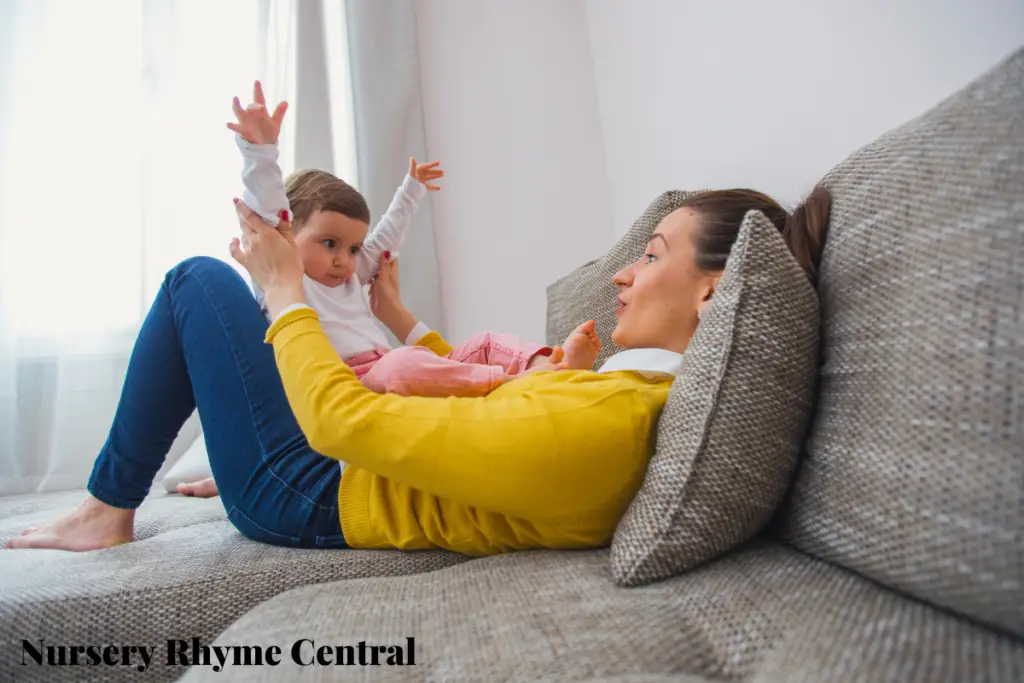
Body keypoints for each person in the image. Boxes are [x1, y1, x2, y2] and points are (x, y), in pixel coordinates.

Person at [5, 184, 830, 554]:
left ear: (715, 289)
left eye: (650, 255)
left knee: (200, 280)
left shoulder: (608, 421)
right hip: (336, 464)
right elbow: (460, 395)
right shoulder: (617, 391)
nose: (622, 273)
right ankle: (109, 500)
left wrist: (285, 284)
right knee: (212, 289)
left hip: (309, 488)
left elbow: (343, 424)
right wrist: (401, 319)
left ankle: (106, 506)